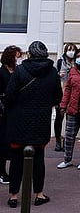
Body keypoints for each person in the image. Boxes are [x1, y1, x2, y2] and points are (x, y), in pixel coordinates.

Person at [4, 41, 62, 208]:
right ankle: (39, 194)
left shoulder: (20, 71)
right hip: (41, 122)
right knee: (38, 160)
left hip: (18, 122)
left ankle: (14, 196)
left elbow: (9, 96)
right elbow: (57, 97)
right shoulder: (52, 72)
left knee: (16, 160)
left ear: (30, 53)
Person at [0, 45, 22, 185]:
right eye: (17, 56)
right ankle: (2, 171)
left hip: (15, 110)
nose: (20, 59)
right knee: (2, 141)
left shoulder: (19, 71)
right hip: (3, 111)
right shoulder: (1, 72)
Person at [54, 43, 77, 151]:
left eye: (73, 49)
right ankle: (58, 141)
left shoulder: (77, 62)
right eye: (69, 49)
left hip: (73, 93)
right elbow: (54, 76)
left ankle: (67, 142)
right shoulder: (60, 62)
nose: (71, 52)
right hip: (61, 93)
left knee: (70, 119)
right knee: (59, 118)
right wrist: (58, 75)